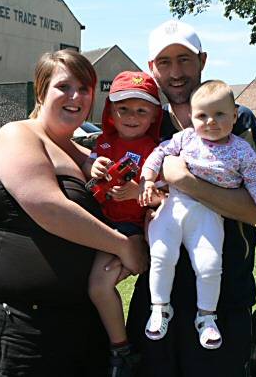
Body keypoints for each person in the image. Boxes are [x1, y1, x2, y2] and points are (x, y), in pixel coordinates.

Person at [0, 50, 148, 376]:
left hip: (84, 321)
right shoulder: (18, 135)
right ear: (41, 91)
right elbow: (49, 209)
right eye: (63, 87)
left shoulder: (90, 157)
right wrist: (124, 246)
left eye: (84, 88)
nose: (76, 96)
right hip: (26, 326)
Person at [126, 19, 256, 376]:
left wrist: (184, 179)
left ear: (202, 60)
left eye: (184, 60)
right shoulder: (145, 120)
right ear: (151, 67)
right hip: (160, 285)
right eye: (164, 62)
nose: (175, 72)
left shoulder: (237, 120)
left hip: (225, 283)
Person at [140, 80, 256, 350]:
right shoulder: (186, 138)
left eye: (220, 114)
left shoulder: (241, 149)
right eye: (202, 115)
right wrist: (147, 180)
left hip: (209, 213)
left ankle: (206, 316)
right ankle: (160, 307)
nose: (211, 122)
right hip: (174, 204)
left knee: (210, 264)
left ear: (235, 116)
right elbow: (159, 153)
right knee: (162, 255)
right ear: (191, 116)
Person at [82, 70, 163, 374]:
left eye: (141, 110)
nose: (132, 116)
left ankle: (122, 351)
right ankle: (116, 346)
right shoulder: (103, 143)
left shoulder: (157, 150)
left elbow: (164, 196)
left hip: (131, 228)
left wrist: (139, 190)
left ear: (154, 115)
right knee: (95, 285)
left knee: (99, 285)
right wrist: (94, 165)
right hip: (99, 223)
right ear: (111, 113)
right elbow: (89, 172)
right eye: (123, 108)